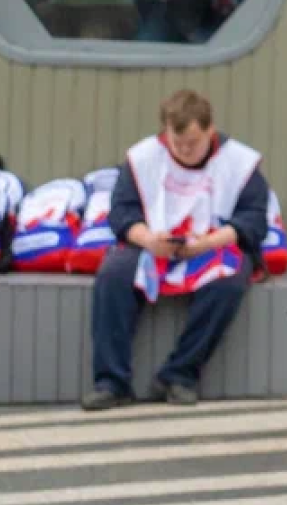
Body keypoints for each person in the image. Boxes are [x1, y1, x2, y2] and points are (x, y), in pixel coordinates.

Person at [81, 90, 269, 411]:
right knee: (113, 275)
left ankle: (180, 375)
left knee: (229, 283)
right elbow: (122, 213)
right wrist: (149, 240)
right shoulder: (142, 158)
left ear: (210, 131)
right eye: (176, 142)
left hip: (212, 246)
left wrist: (207, 243)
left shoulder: (240, 163)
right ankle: (111, 382)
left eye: (191, 144)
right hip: (151, 245)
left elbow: (253, 221)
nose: (183, 150)